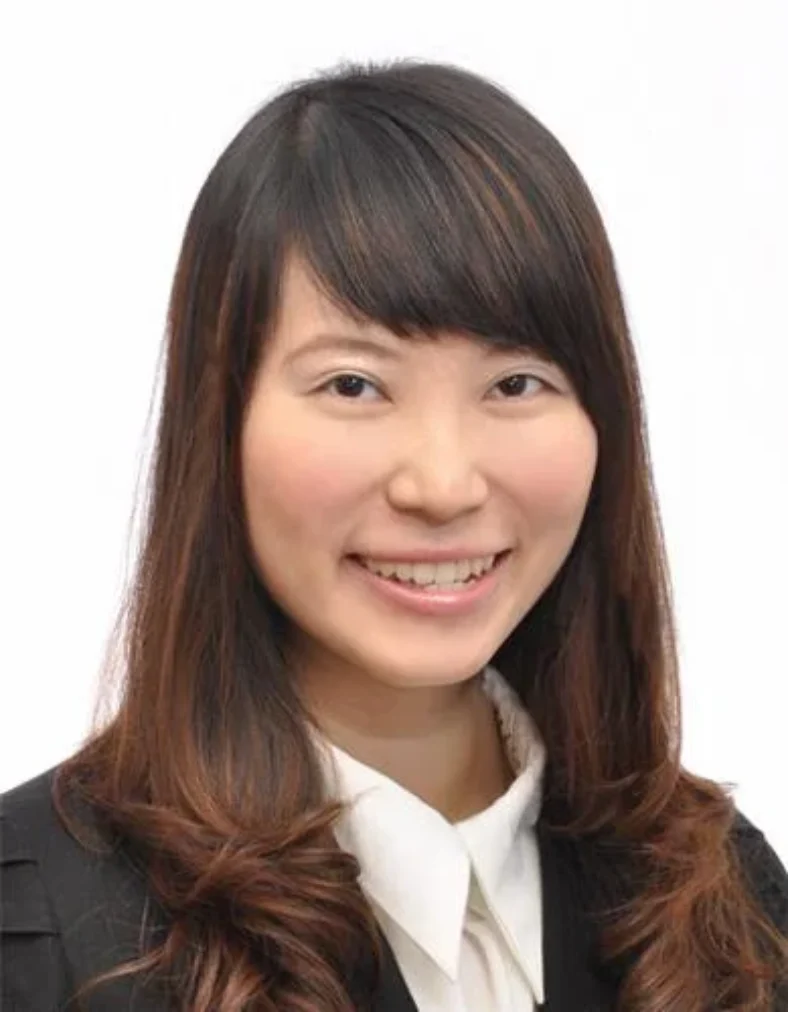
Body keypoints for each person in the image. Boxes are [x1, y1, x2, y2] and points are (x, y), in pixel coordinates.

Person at [1, 58, 786, 1012]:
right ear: (221, 424)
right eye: (354, 385)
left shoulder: (721, 899)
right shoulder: (41, 924)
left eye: (515, 383)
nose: (443, 485)